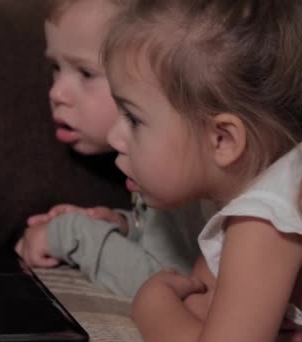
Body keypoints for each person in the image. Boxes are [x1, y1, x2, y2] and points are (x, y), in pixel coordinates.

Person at [102, 0, 302, 340]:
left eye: (133, 118)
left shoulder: (265, 218)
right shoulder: (238, 191)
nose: (112, 136)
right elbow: (201, 301)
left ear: (222, 140)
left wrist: (152, 305)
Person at [14, 0, 204, 298]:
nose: (56, 92)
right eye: (55, 67)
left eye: (86, 73)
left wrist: (69, 234)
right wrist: (127, 226)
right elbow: (176, 242)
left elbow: (171, 282)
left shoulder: (185, 166)